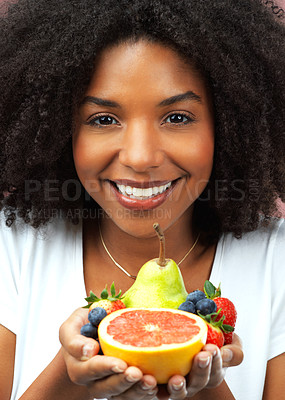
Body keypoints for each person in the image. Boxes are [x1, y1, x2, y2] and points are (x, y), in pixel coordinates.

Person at [0, 0, 284, 399]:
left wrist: (204, 386)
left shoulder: (278, 261)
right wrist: (69, 377)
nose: (140, 157)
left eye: (177, 117)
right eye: (104, 119)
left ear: (232, 124)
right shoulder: (11, 250)